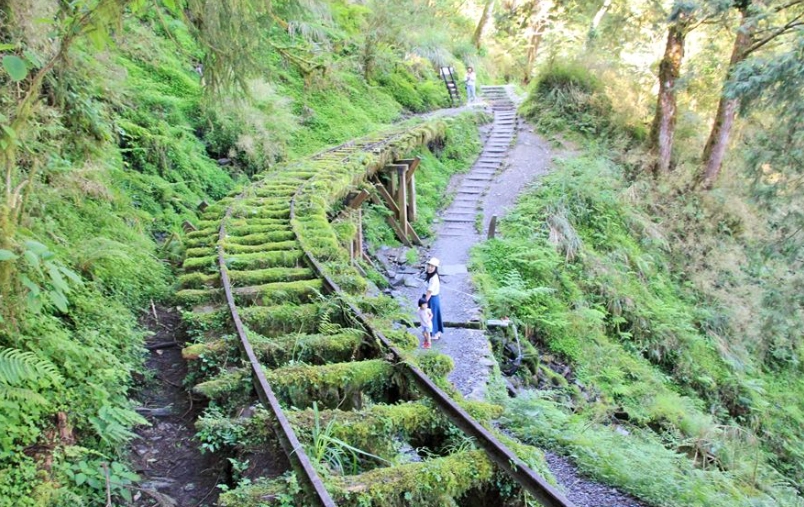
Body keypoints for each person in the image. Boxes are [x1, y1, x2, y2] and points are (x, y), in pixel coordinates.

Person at [424, 257, 444, 340]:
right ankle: (437, 332)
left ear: (435, 268)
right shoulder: (433, 276)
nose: (430, 268)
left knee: (432, 316)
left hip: (432, 299)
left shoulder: (433, 278)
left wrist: (424, 301)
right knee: (435, 315)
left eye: (432, 266)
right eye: (429, 265)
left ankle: (434, 334)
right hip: (435, 298)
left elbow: (429, 291)